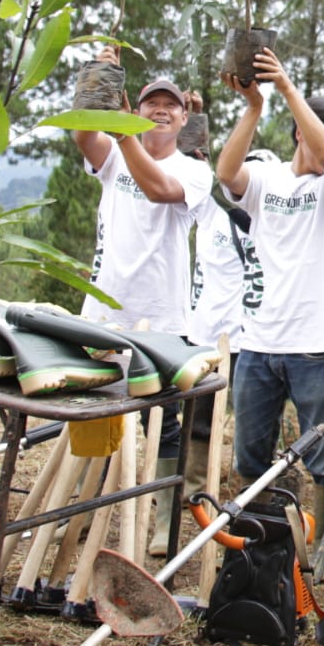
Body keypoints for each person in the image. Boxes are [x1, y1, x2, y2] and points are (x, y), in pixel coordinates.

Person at [214, 47, 324, 583]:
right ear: (302, 131)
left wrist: (289, 89)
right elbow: (225, 172)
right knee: (250, 454)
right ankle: (257, 536)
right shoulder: (267, 178)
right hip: (258, 342)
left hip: (314, 344)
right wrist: (254, 107)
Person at [72, 48, 212, 556]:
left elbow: (157, 190)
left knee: (162, 423)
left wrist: (124, 131)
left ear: (183, 118)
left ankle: (161, 521)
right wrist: (96, 80)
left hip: (161, 318)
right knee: (93, 412)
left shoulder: (195, 172)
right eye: (151, 102)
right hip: (104, 311)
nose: (160, 110)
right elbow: (86, 137)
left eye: (170, 106)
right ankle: (84, 510)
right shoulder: (112, 155)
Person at [180, 92, 255, 555]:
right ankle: (191, 501)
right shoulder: (208, 213)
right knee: (199, 424)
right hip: (203, 335)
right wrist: (194, 118)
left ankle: (247, 504)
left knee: (248, 428)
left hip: (246, 339)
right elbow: (192, 163)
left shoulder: (257, 219)